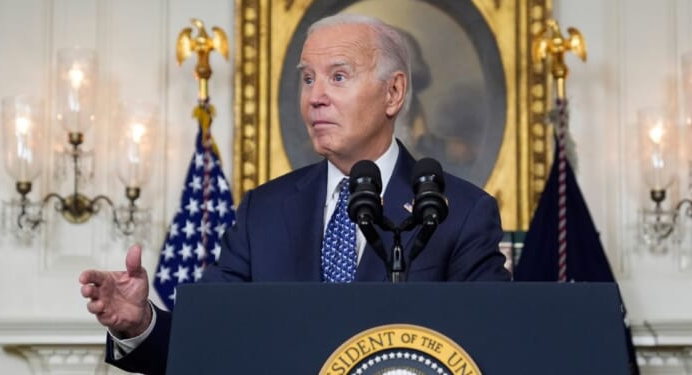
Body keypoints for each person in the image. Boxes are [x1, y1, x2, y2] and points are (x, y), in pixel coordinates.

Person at [79, 13, 511, 374]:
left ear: (393, 93)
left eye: (337, 76)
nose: (315, 97)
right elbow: (206, 342)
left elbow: (495, 349)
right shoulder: (262, 212)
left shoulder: (461, 212)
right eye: (307, 79)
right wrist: (139, 324)